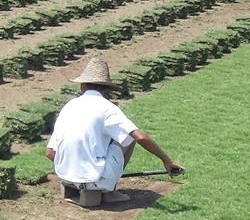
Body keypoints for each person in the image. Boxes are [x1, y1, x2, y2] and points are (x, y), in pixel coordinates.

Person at [47, 58, 182, 205]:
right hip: (93, 180)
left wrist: (74, 166)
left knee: (109, 139)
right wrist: (166, 161)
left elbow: (50, 153)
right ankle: (109, 191)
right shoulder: (107, 108)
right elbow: (140, 137)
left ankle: (85, 183)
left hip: (65, 176)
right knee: (128, 138)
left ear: (82, 86)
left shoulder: (69, 106)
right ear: (106, 89)